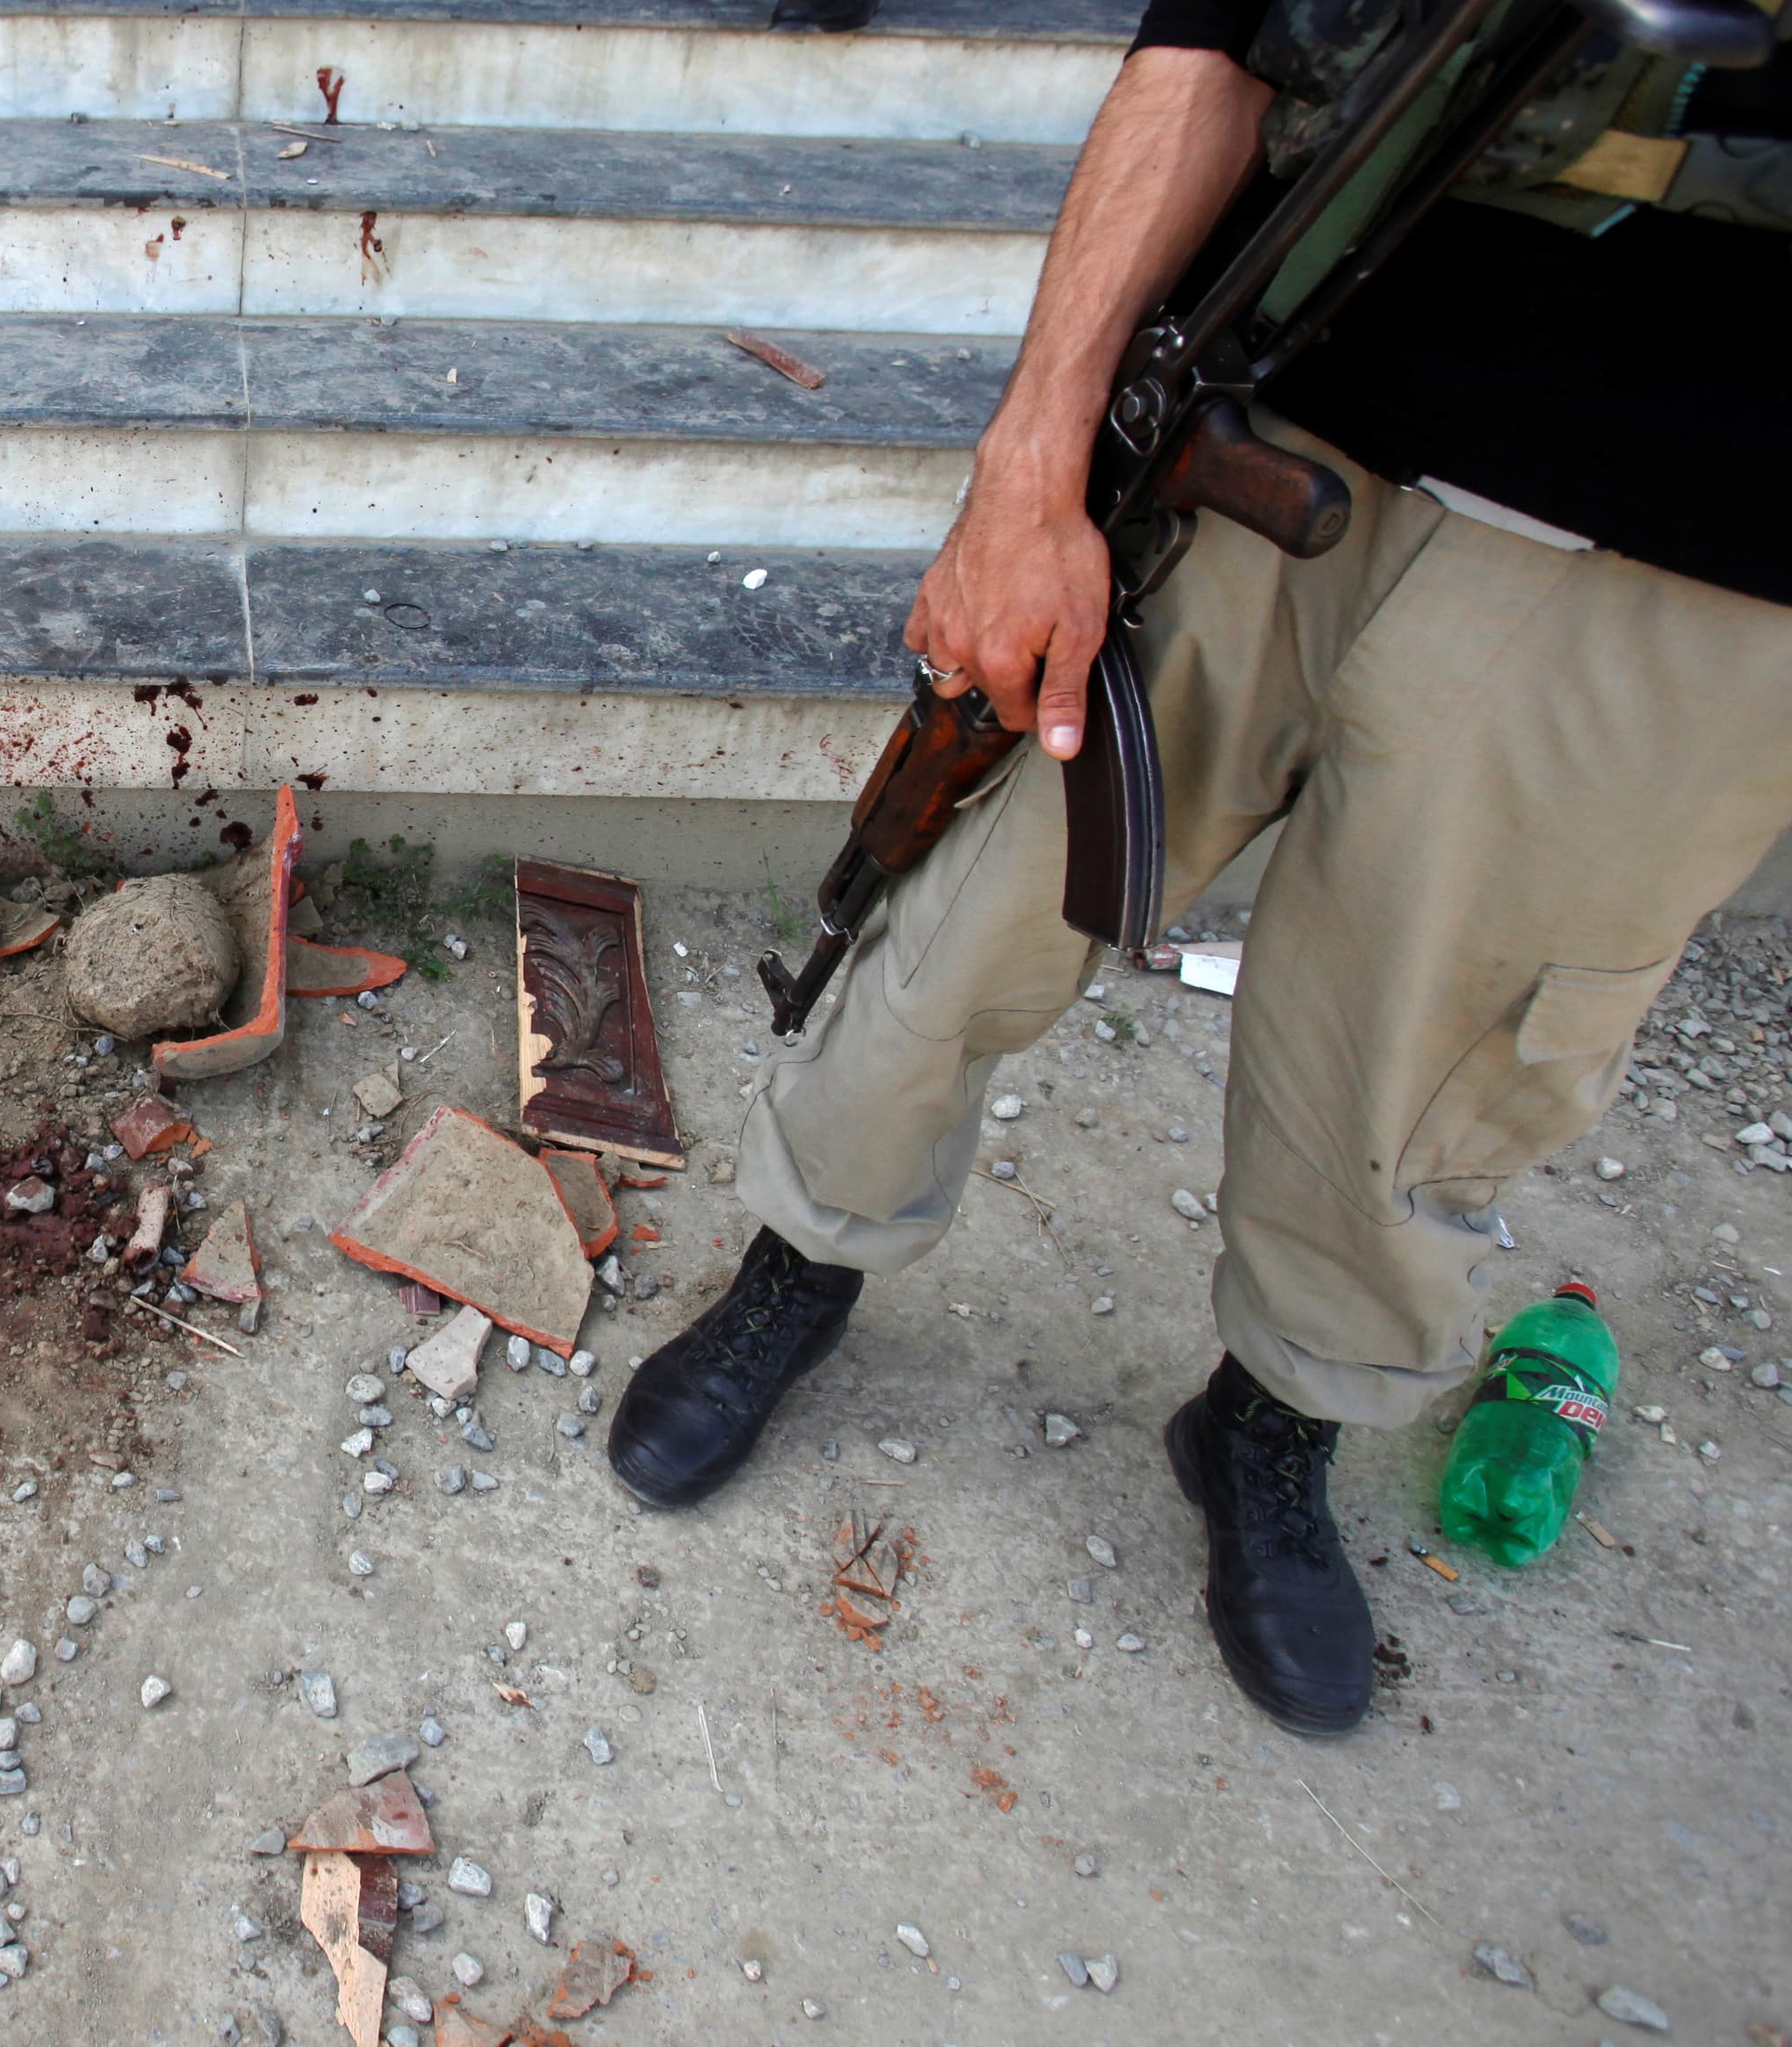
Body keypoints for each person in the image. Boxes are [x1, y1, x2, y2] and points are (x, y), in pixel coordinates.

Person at [605, 0, 1791, 1734]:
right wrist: (1032, 461)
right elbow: (1223, 35)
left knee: (1449, 1060)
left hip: (1718, 544)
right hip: (1303, 387)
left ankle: (1272, 1417)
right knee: (967, 894)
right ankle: (808, 1252)